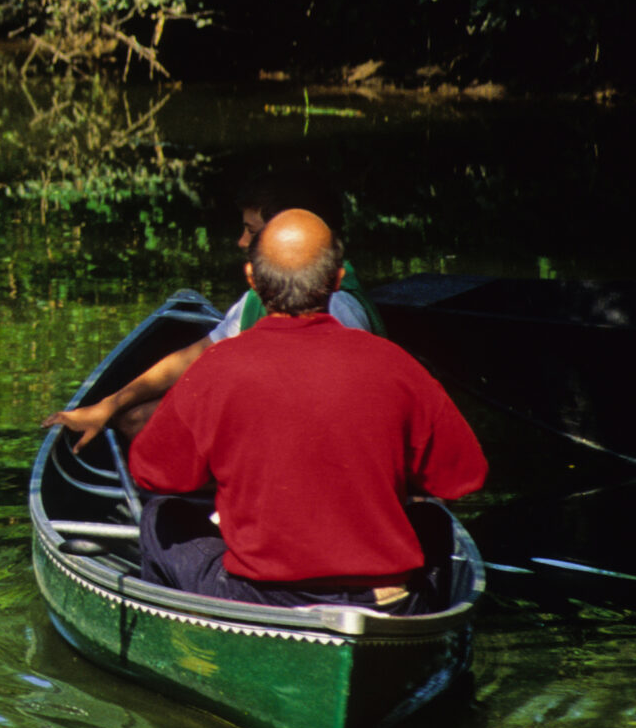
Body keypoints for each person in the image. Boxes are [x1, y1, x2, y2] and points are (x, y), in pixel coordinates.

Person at [128, 209, 487, 613]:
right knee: (434, 521)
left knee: (161, 516)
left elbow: (153, 472)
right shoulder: (397, 364)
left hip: (261, 597)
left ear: (252, 280)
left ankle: (181, 639)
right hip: (385, 600)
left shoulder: (217, 367)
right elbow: (464, 476)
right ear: (336, 281)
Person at [46, 174, 382, 451]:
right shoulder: (259, 299)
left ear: (289, 236)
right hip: (277, 437)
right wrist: (111, 403)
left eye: (251, 231)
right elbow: (193, 358)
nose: (240, 242)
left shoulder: (338, 309)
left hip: (307, 451)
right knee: (137, 419)